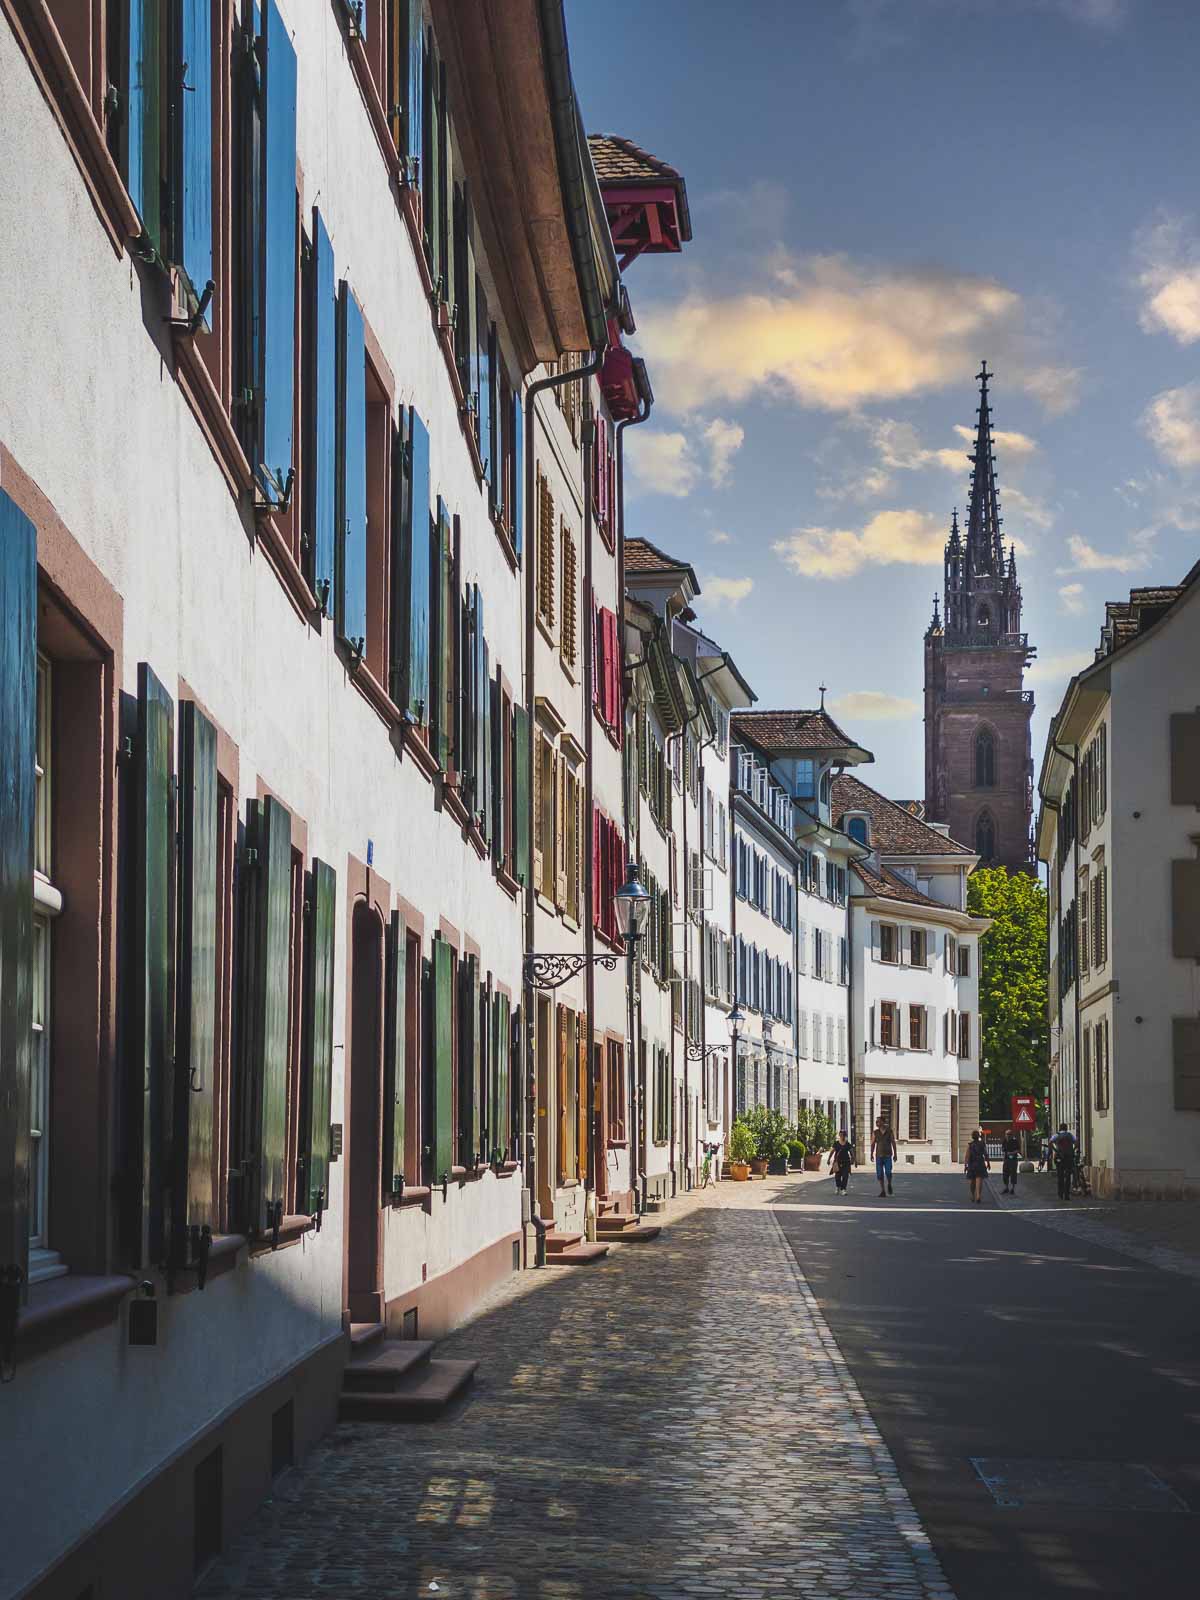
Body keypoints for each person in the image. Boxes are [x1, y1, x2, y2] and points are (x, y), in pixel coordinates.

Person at [1050, 1123, 1078, 1200]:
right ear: (1066, 1128)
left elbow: (1050, 1142)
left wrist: (1055, 1150)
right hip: (1068, 1157)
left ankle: (1060, 1193)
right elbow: (1076, 1142)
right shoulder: (1070, 1135)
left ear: (1060, 1128)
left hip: (1059, 1157)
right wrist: (1073, 1150)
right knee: (1068, 1176)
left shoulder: (1056, 1135)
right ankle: (1067, 1195)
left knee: (1060, 1175)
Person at [871, 1117, 897, 1197]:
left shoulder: (889, 1131)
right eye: (876, 1122)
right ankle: (883, 1190)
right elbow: (873, 1144)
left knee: (888, 1172)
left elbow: (893, 1142)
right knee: (880, 1174)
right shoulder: (875, 1132)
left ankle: (889, 1183)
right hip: (879, 1156)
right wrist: (871, 1154)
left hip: (888, 1155)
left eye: (878, 1121)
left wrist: (895, 1154)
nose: (876, 1123)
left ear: (883, 1122)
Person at [965, 1129, 990, 1202]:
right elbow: (985, 1154)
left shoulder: (970, 1145)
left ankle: (972, 1195)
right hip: (980, 1163)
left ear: (972, 1137)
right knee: (979, 1180)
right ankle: (978, 1195)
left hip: (972, 1164)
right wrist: (988, 1163)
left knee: (972, 1181)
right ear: (978, 1136)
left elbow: (967, 1156)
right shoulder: (982, 1144)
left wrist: (965, 1165)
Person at [827, 1131, 853, 1195]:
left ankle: (843, 1189)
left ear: (845, 1136)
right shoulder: (836, 1143)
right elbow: (832, 1151)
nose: (842, 1136)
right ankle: (838, 1186)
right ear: (839, 1135)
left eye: (843, 1135)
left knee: (845, 1176)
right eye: (841, 1135)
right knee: (837, 1176)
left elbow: (852, 1152)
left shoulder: (847, 1144)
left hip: (846, 1162)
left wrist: (854, 1160)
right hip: (837, 1162)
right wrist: (829, 1159)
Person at [1001, 1128, 1021, 1195]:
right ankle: (1006, 1187)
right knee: (1005, 1173)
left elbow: (1018, 1150)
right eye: (1007, 1134)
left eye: (1009, 1134)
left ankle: (1012, 1188)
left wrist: (1012, 1153)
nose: (1008, 1135)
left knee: (1013, 1174)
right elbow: (1003, 1150)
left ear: (1012, 1135)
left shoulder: (1015, 1141)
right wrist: (1005, 1155)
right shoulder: (1004, 1141)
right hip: (1006, 1159)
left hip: (1013, 1160)